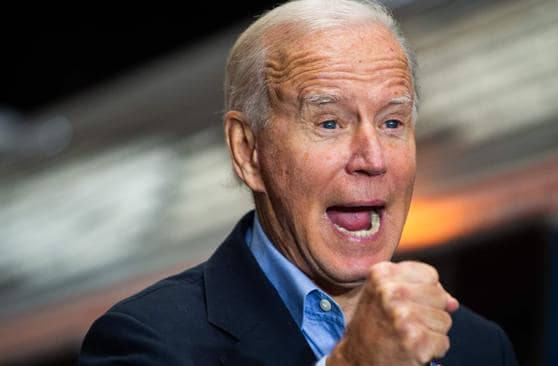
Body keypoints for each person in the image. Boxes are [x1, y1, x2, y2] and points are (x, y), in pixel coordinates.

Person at [79, 0, 519, 365]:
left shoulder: (479, 348)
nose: (373, 158)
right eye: (329, 123)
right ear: (247, 151)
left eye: (392, 122)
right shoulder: (145, 342)